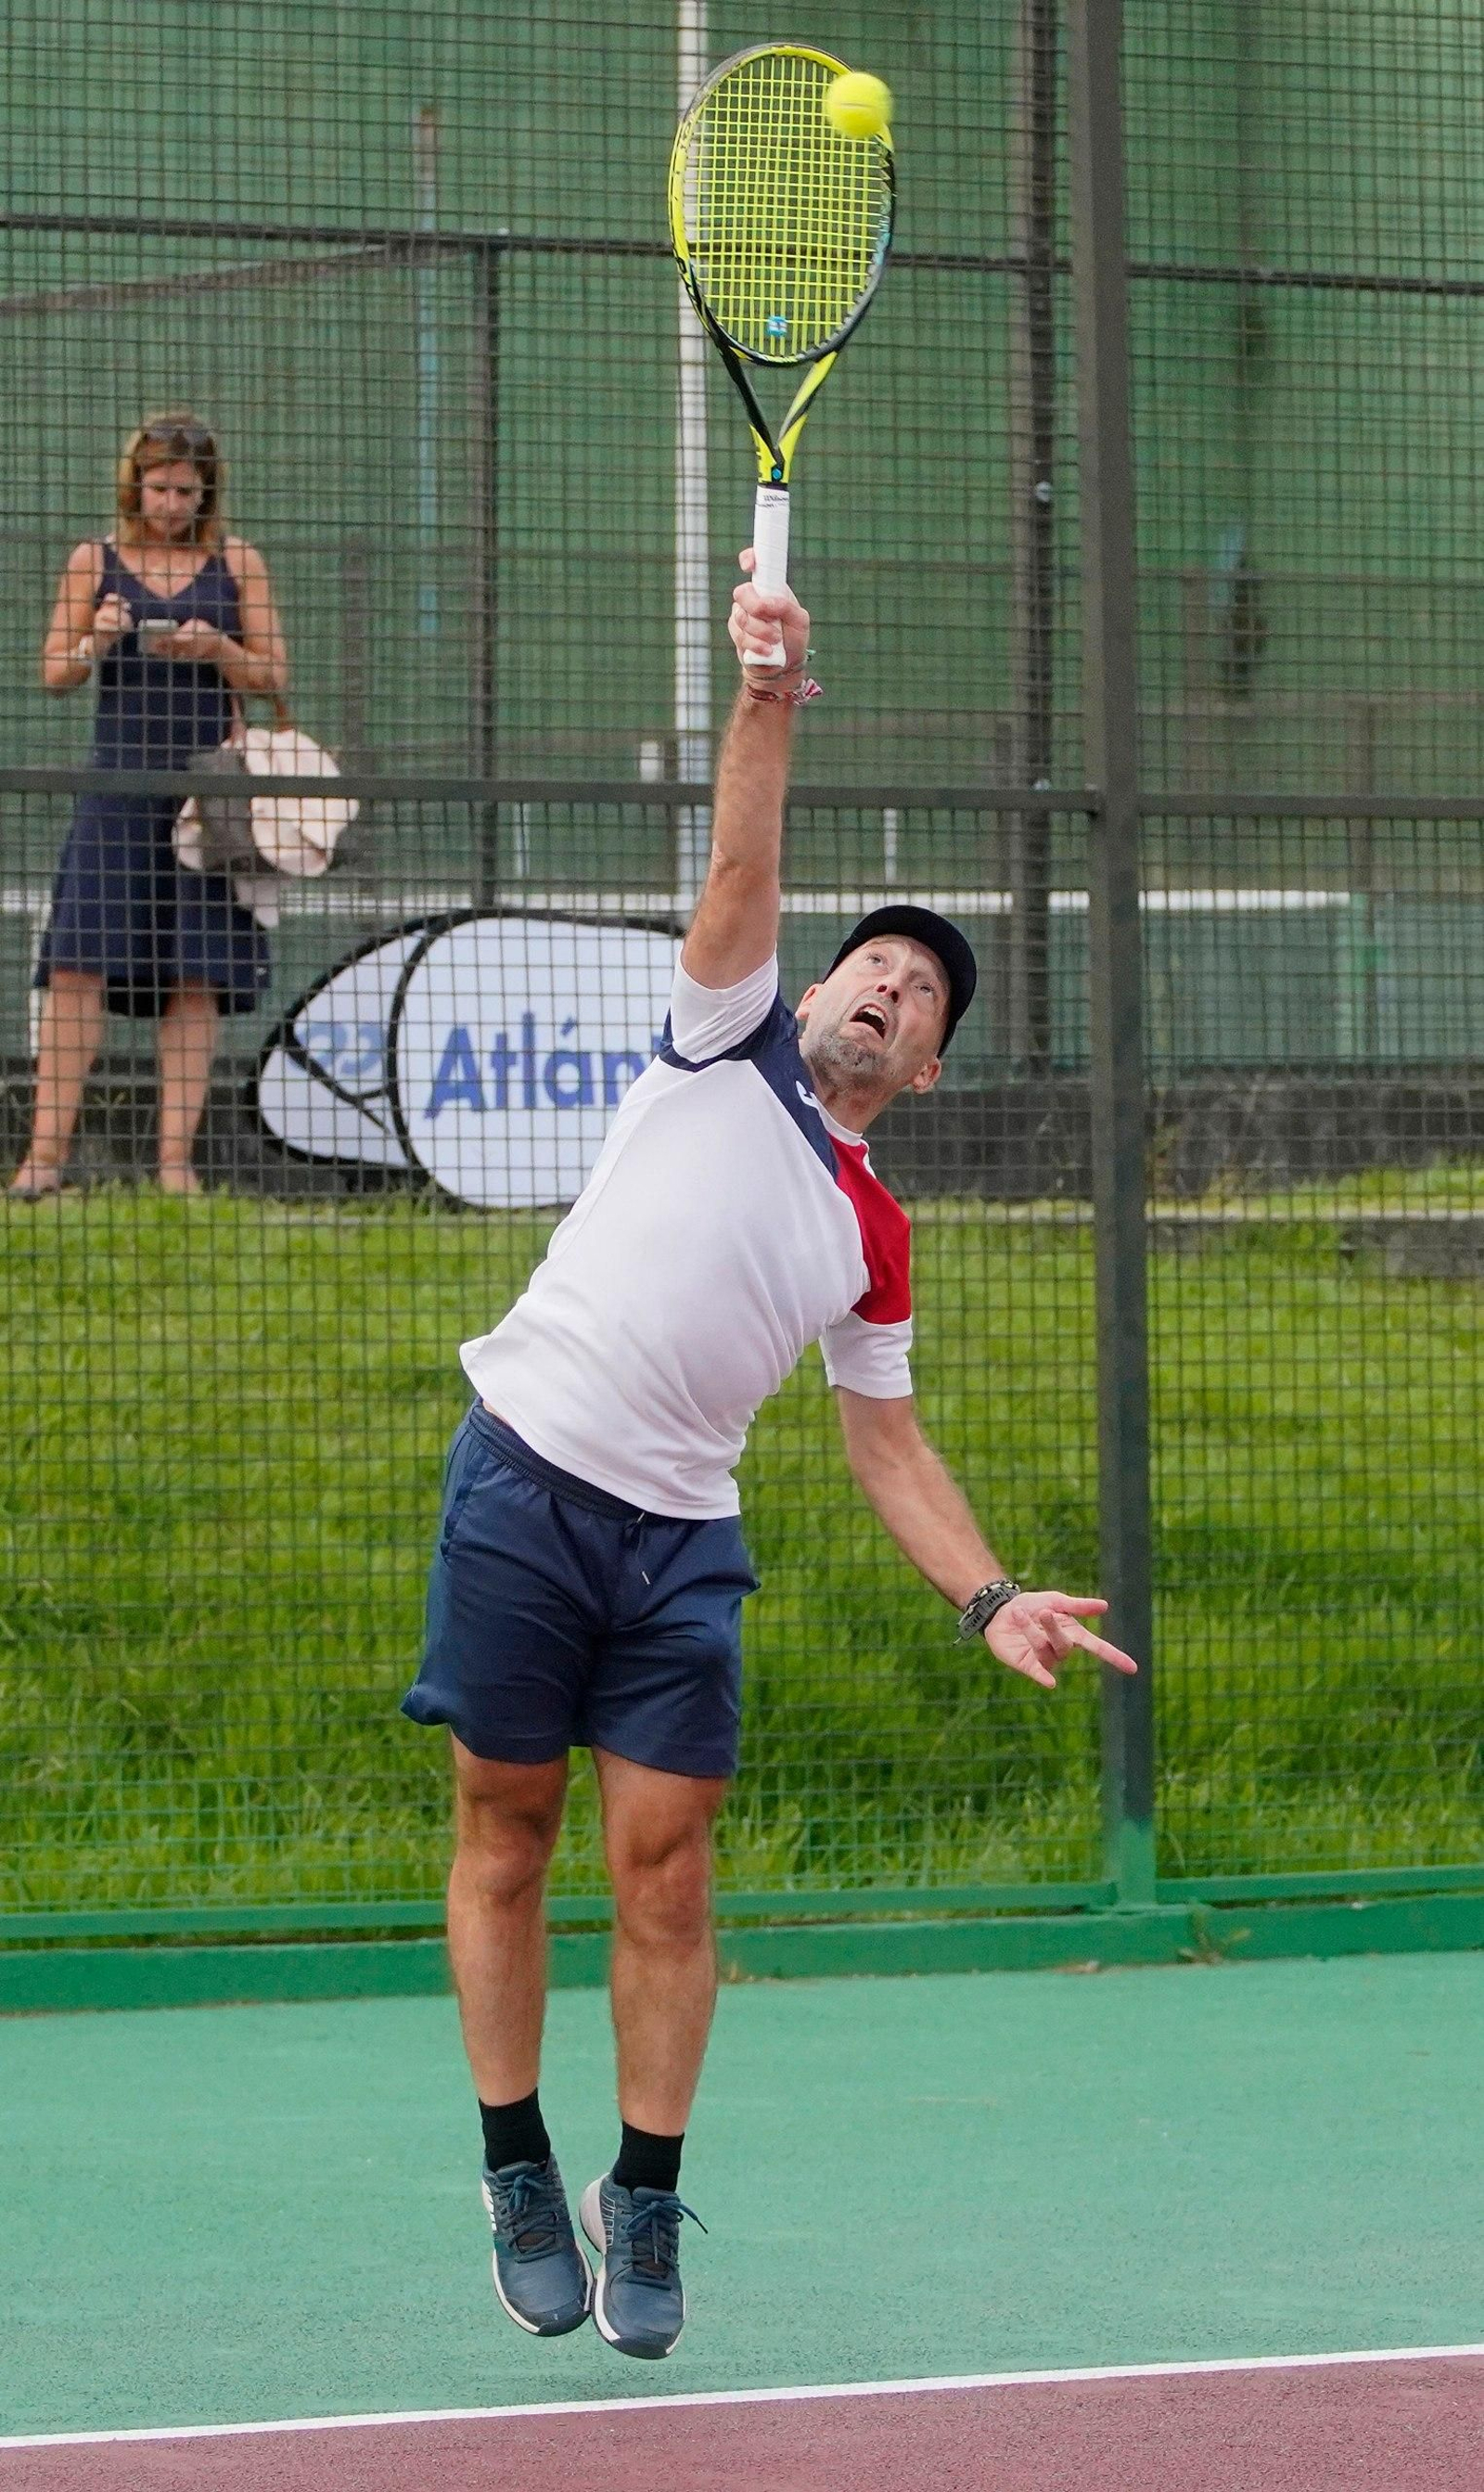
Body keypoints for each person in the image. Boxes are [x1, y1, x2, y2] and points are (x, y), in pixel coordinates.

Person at [401, 556, 1138, 2362]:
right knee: (505, 1835)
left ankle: (640, 2190)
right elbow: (738, 864)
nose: (885, 990)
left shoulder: (869, 1230)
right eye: (871, 964)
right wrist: (763, 693)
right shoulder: (715, 1040)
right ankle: (515, 2160)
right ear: (807, 983)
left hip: (678, 1545)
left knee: (665, 1874)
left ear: (931, 1065)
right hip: (524, 1470)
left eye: (917, 996)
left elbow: (880, 1438)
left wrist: (983, 1593)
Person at [10, 412, 288, 1198]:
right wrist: (97, 638)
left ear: (207, 493)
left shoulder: (236, 562)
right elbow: (54, 673)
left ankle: (175, 1166)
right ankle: (42, 1162)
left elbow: (274, 677)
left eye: (185, 492)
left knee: (196, 975)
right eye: (158, 488)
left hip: (209, 792)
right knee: (75, 966)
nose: (170, 505)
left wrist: (219, 649)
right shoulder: (93, 559)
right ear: (135, 483)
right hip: (117, 785)